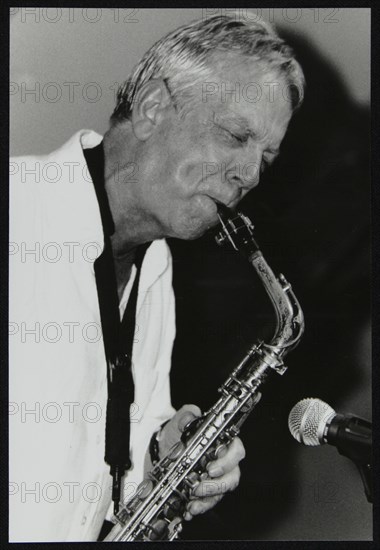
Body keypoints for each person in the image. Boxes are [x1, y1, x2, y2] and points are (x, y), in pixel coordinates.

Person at [9, 13, 304, 542]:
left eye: (267, 157)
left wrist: (161, 451)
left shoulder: (157, 264)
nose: (251, 175)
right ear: (152, 108)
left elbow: (104, 456)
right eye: (236, 135)